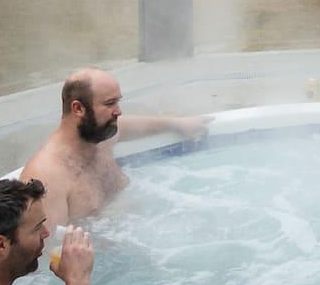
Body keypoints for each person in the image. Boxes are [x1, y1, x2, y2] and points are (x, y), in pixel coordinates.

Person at [24, 67, 209, 225]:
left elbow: (129, 126)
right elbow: (46, 251)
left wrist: (175, 123)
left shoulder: (100, 137)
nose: (118, 111)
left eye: (118, 102)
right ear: (78, 109)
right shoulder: (47, 177)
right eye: (110, 103)